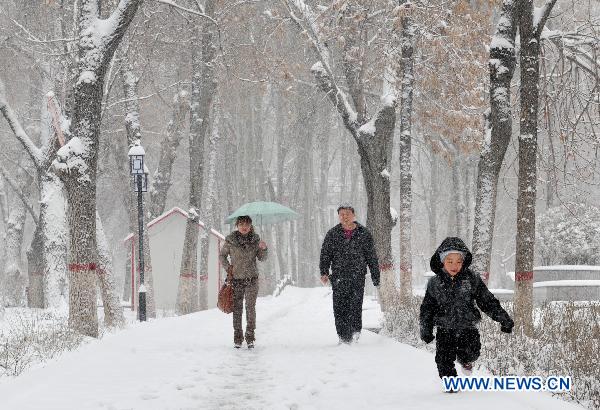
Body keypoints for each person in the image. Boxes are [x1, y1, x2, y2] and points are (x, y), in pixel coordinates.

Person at [420, 237, 514, 385]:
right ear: (442, 261)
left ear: (463, 261)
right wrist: (426, 329)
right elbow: (427, 308)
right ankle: (451, 385)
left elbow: (487, 301)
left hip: (468, 327)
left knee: (471, 352)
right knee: (443, 360)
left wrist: (504, 319)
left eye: (458, 261)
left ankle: (466, 361)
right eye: (449, 261)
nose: (454, 265)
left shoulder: (471, 279)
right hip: (445, 329)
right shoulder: (435, 283)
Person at [319, 204, 380, 344]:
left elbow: (371, 256)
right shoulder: (333, 234)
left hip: (357, 276)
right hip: (339, 276)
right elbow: (325, 255)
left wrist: (376, 276)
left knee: (355, 306)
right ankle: (343, 336)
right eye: (341, 214)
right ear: (339, 216)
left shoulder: (363, 233)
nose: (344, 216)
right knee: (339, 307)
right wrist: (324, 272)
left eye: (347, 214)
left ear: (353, 215)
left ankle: (355, 333)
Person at [219, 215, 268, 349]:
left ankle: (250, 336)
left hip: (252, 279)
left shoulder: (256, 239)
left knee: (250, 308)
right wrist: (228, 268)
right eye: (241, 224)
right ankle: (238, 338)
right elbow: (222, 255)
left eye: (246, 224)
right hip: (236, 280)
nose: (244, 227)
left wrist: (263, 249)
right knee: (237, 309)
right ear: (237, 226)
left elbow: (262, 258)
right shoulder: (230, 240)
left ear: (250, 225)